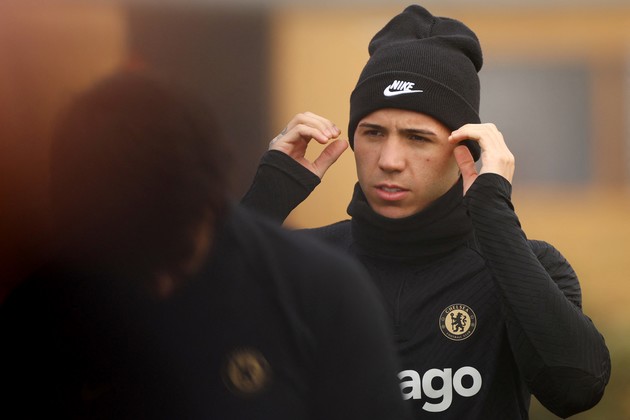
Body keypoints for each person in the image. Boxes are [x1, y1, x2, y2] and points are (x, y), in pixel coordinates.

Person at [241, 4, 611, 419]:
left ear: (464, 150)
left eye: (417, 138)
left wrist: (494, 214)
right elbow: (192, 349)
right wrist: (263, 205)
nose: (389, 160)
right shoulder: (301, 266)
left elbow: (575, 390)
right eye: (373, 133)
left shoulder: (526, 265)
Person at [0, 71, 411, 419]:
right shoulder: (42, 310)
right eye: (129, 270)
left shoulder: (318, 290)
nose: (160, 287)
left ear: (211, 206)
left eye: (177, 263)